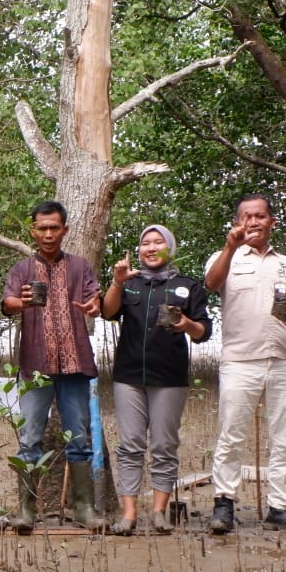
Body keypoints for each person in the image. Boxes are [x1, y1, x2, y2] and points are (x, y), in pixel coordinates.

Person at [203, 195, 286, 534]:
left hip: (285, 361)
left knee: (285, 438)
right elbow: (211, 283)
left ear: (272, 222)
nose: (253, 222)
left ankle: (279, 507)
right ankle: (224, 504)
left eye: (260, 216)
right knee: (231, 433)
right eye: (247, 217)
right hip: (240, 360)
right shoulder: (226, 257)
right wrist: (229, 248)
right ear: (237, 223)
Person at [100, 224, 211, 535]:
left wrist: (186, 323)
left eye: (157, 242)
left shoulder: (186, 286)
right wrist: (117, 283)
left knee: (164, 445)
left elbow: (204, 331)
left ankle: (160, 512)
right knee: (130, 445)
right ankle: (129, 514)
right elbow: (107, 312)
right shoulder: (130, 284)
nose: (150, 248)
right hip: (128, 377)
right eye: (145, 243)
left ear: (169, 248)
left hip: (170, 378)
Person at [1, 200, 104, 533]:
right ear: (33, 230)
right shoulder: (21, 269)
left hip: (75, 364)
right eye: (42, 228)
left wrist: (94, 305)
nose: (48, 234)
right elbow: (7, 303)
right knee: (29, 439)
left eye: (54, 228)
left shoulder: (80, 267)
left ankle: (84, 509)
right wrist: (25, 301)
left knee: (80, 439)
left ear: (65, 230)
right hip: (35, 367)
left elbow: (95, 299)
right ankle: (26, 511)